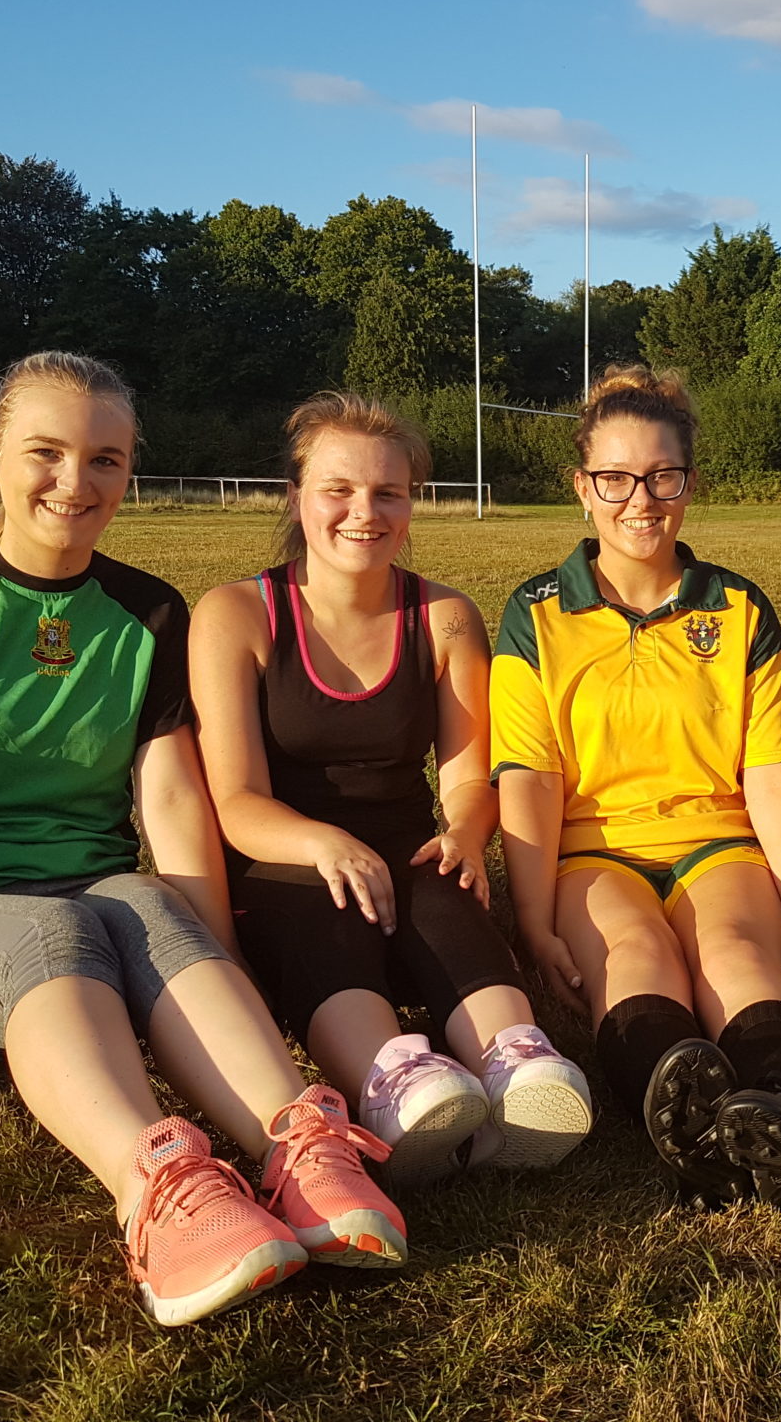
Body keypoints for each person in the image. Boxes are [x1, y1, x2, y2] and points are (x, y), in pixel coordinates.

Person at [0, 352, 404, 1329]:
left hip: (100, 900)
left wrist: (214, 963)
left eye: (105, 459)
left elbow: (175, 806)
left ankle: (301, 1146)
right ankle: (161, 1187)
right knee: (51, 931)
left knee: (144, 901)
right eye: (45, 454)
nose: (74, 482)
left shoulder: (147, 611)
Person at [191, 391, 591, 1188]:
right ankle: (396, 1081)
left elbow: (470, 779)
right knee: (324, 917)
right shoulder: (237, 613)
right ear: (297, 496)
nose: (363, 512)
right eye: (338, 490)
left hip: (406, 844)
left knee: (444, 900)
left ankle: (517, 1064)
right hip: (283, 856)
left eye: (388, 492)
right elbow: (235, 800)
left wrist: (466, 835)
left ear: (412, 501)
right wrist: (321, 842)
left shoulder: (444, 617)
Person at [491, 365, 781, 1212]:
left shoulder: (740, 606)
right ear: (582, 488)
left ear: (691, 484)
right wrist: (534, 922)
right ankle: (688, 1120)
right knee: (639, 959)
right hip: (592, 851)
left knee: (736, 957)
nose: (639, 500)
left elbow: (771, 768)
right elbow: (531, 780)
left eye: (662, 477)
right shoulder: (535, 613)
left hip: (718, 841)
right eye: (615, 478)